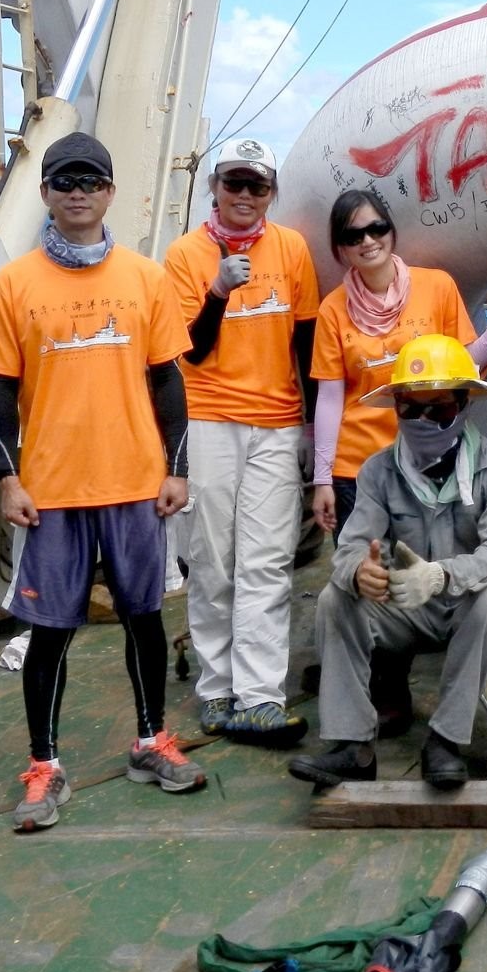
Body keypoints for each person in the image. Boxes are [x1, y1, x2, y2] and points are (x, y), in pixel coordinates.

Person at [0, 130, 204, 831]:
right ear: (45, 193)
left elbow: (168, 380)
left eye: (89, 182)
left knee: (144, 620)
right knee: (48, 631)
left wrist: (177, 468)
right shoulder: (14, 283)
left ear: (109, 193)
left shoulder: (144, 277)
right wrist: (7, 481)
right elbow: (1, 394)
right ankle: (44, 764)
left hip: (134, 483)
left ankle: (151, 740)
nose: (77, 193)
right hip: (52, 491)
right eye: (63, 182)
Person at [289, 335, 487, 791]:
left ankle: (444, 740)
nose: (423, 420)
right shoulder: (378, 470)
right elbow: (351, 547)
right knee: (335, 599)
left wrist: (440, 576)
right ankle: (352, 746)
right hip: (405, 606)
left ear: (463, 405)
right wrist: (361, 572)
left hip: (469, 603)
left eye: (437, 409)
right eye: (410, 409)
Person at [163, 137, 319, 744]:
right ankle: (216, 690)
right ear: (215, 188)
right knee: (211, 560)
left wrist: (309, 428)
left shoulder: (291, 248)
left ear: (272, 192)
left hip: (277, 424)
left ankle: (259, 696)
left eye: (257, 186)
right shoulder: (185, 254)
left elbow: (305, 342)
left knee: (266, 560)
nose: (245, 196)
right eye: (234, 183)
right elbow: (191, 350)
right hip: (207, 421)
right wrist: (219, 292)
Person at [310, 187, 487, 538]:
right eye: (353, 234)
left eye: (376, 228)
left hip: (428, 458)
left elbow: (465, 366)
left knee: (425, 572)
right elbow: (329, 399)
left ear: (391, 230)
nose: (368, 240)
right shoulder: (332, 308)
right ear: (340, 248)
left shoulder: (436, 286)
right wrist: (322, 479)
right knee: (366, 575)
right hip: (356, 468)